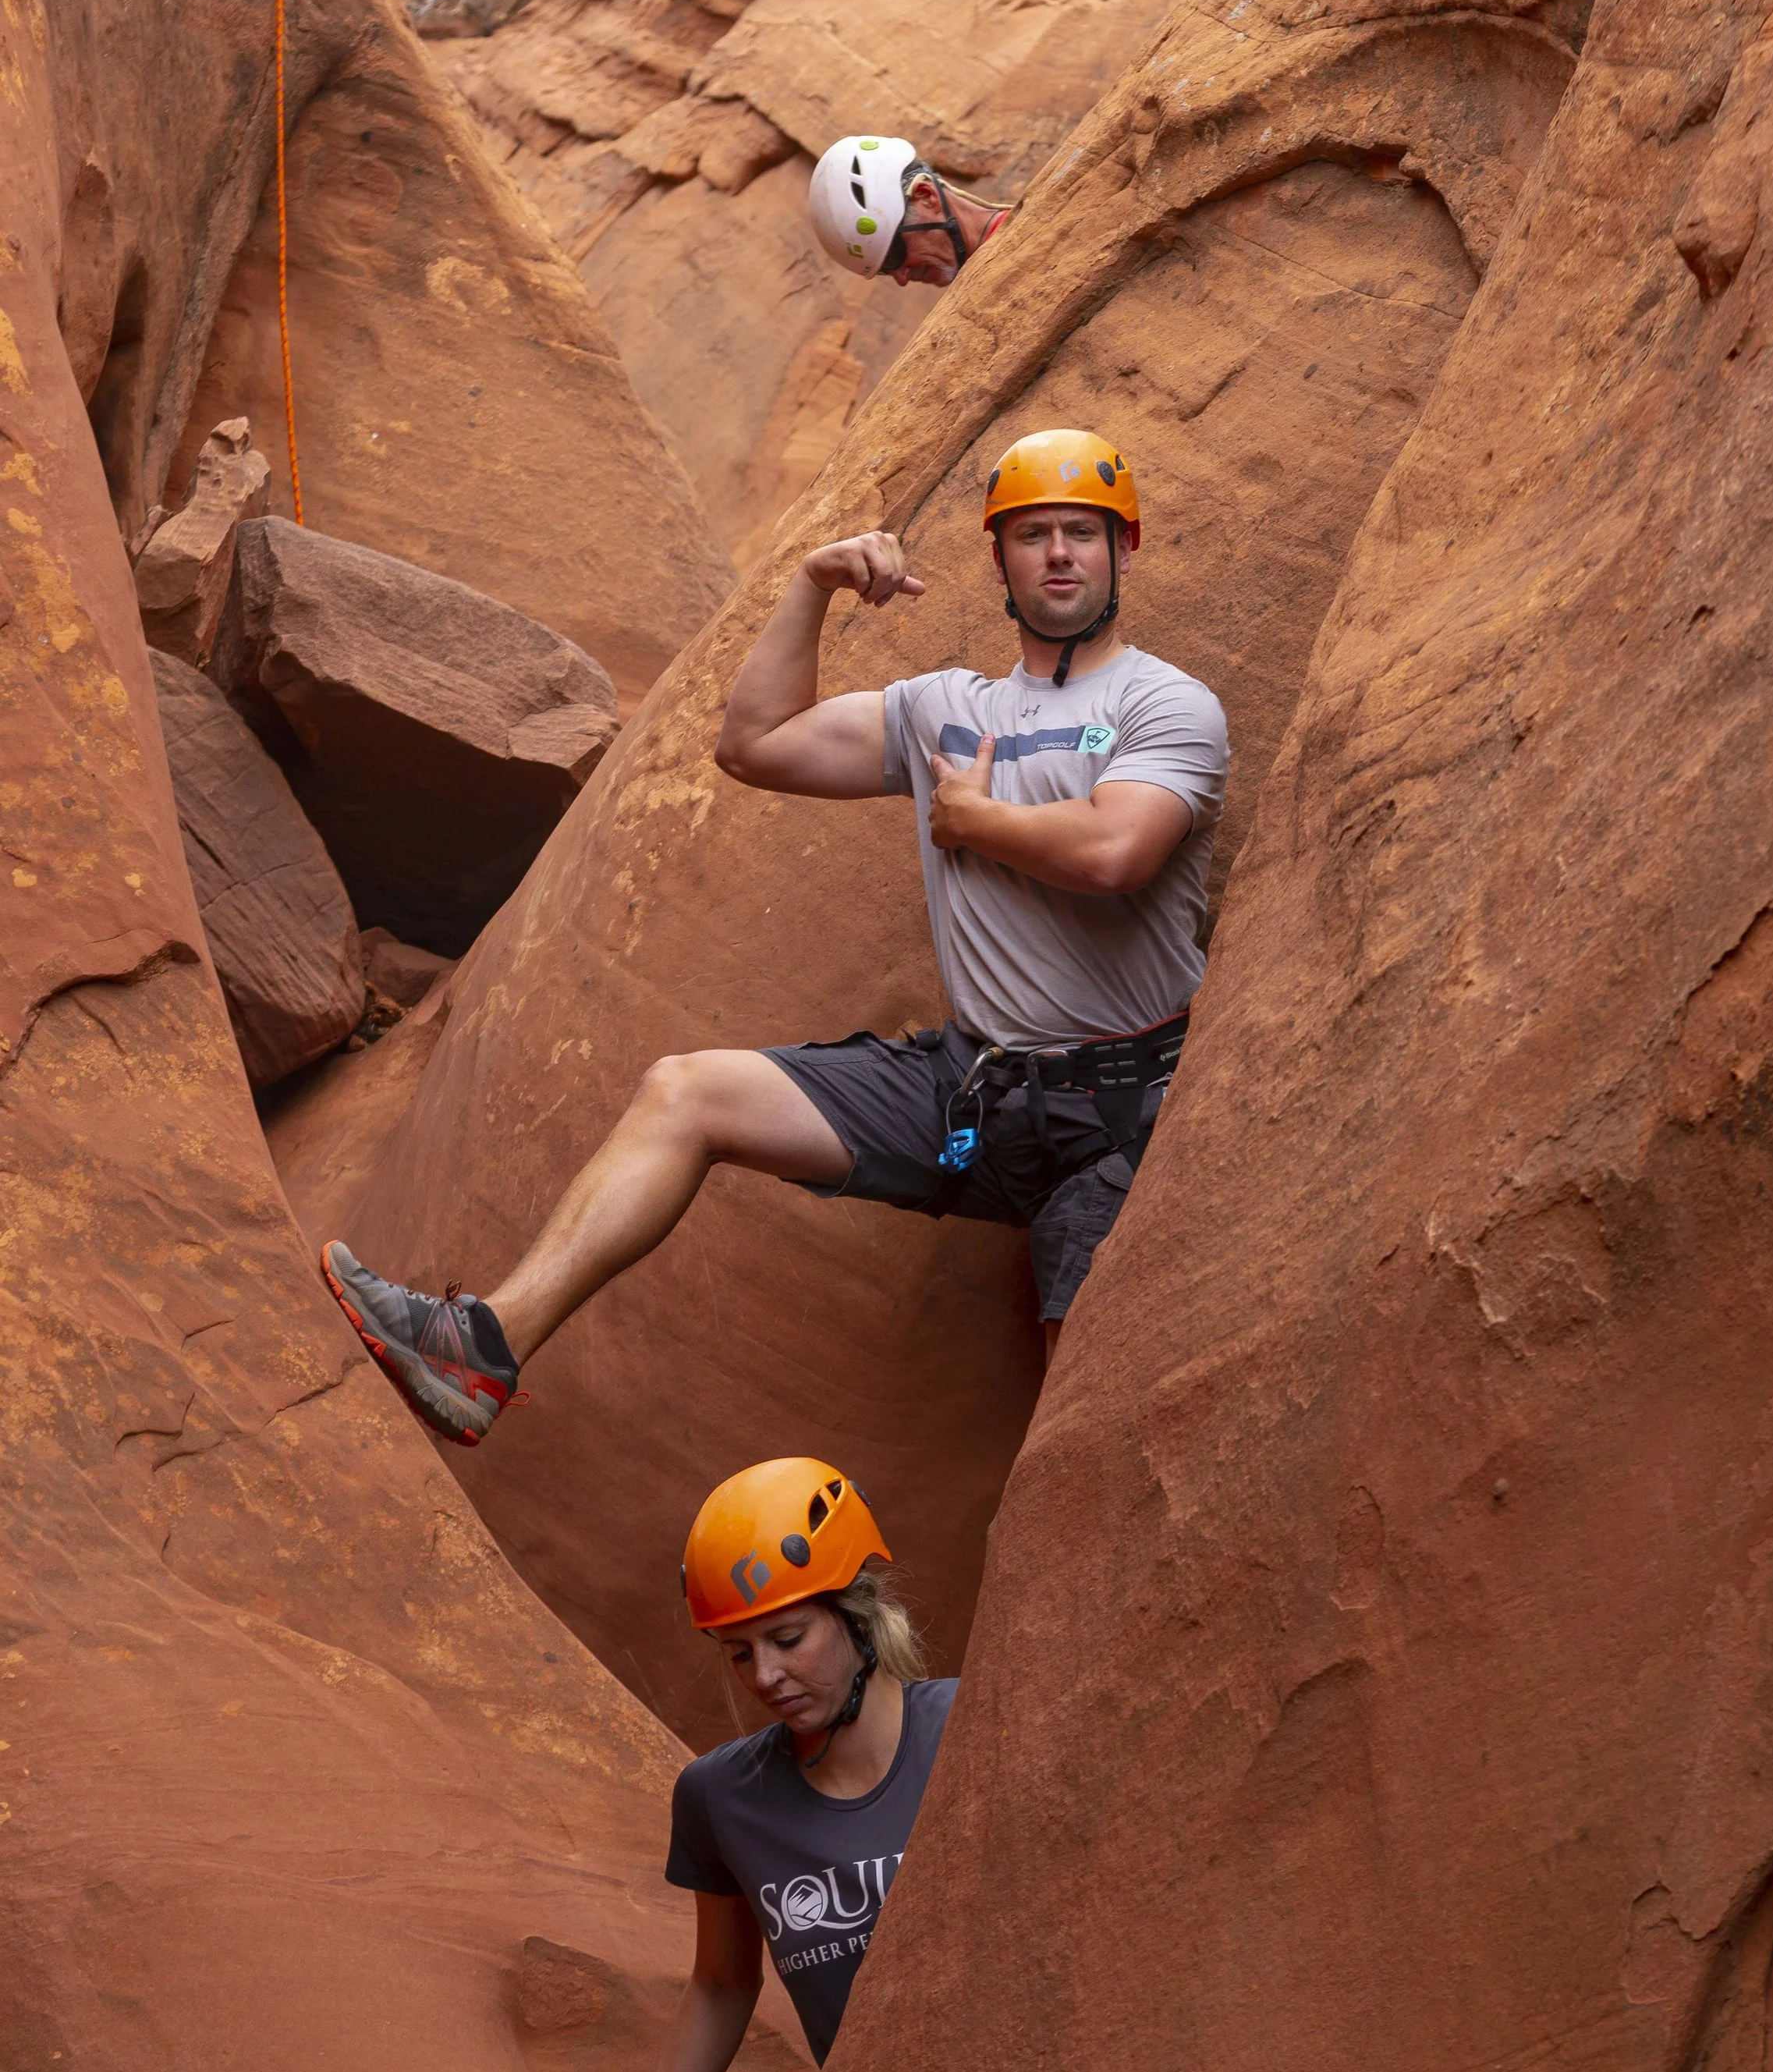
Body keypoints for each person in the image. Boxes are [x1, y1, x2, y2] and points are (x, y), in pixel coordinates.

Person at [321, 428, 1230, 1445]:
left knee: (1076, 1432)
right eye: (1033, 534)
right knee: (686, 1091)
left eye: (1082, 532)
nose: (1059, 553)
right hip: (976, 1086)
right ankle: (483, 1347)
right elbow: (753, 744)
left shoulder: (1167, 702)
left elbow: (1117, 852)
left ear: (1123, 550)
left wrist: (975, 820)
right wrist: (809, 585)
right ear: (1000, 560)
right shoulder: (942, 709)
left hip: (1123, 1120)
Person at [473, 1458, 952, 2072]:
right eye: (737, 1651)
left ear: (857, 1614)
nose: (764, 1675)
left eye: (788, 1638)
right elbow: (724, 1984)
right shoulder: (721, 1796)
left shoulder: (971, 1730)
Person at [807, 130, 1010, 289]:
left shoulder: (1028, 237)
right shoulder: (970, 299)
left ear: (926, 196)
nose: (902, 278)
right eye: (886, 270)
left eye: (895, 254)